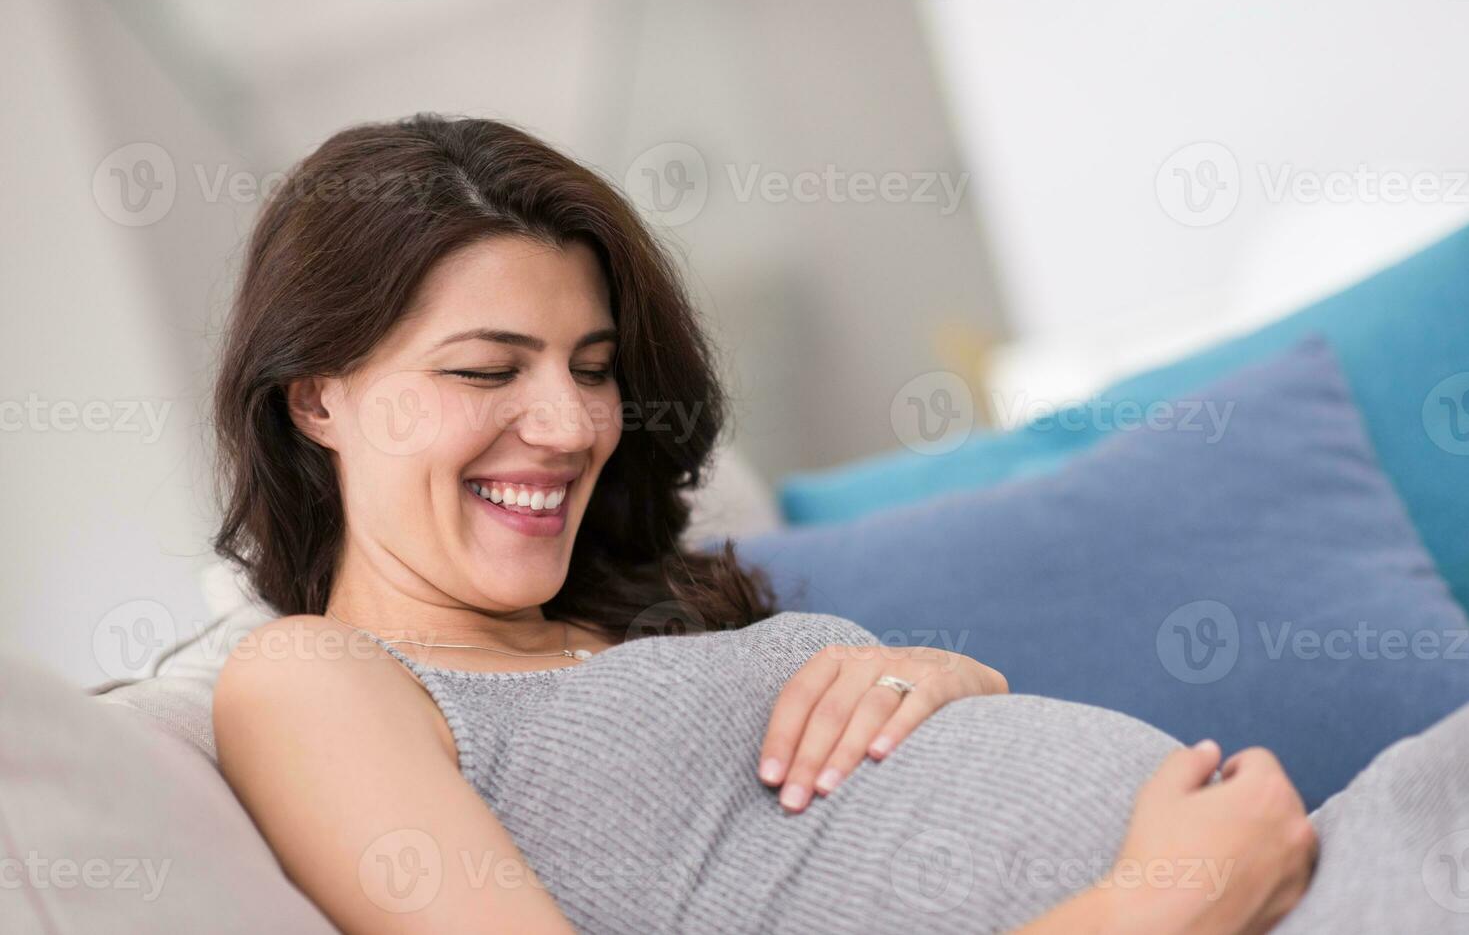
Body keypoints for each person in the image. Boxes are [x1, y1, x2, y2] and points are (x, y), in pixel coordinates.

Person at [211, 114, 1467, 934]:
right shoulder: (312, 679)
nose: (567, 423)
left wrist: (940, 680)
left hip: (1346, 853)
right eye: (488, 371)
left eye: (591, 367)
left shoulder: (626, 606)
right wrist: (1167, 892)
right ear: (317, 394)